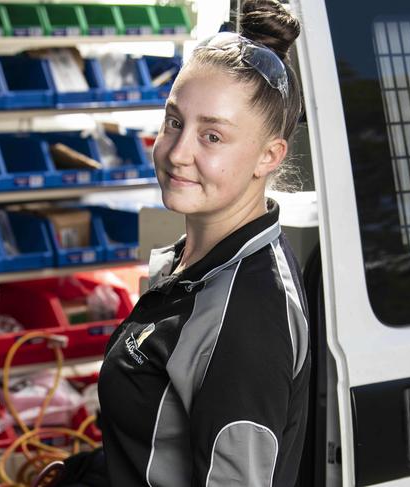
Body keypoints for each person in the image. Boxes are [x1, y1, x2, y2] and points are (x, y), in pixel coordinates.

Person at [56, 1, 310, 486]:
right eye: (175, 122)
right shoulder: (197, 262)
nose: (177, 152)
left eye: (212, 136)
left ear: (269, 155)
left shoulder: (245, 318)